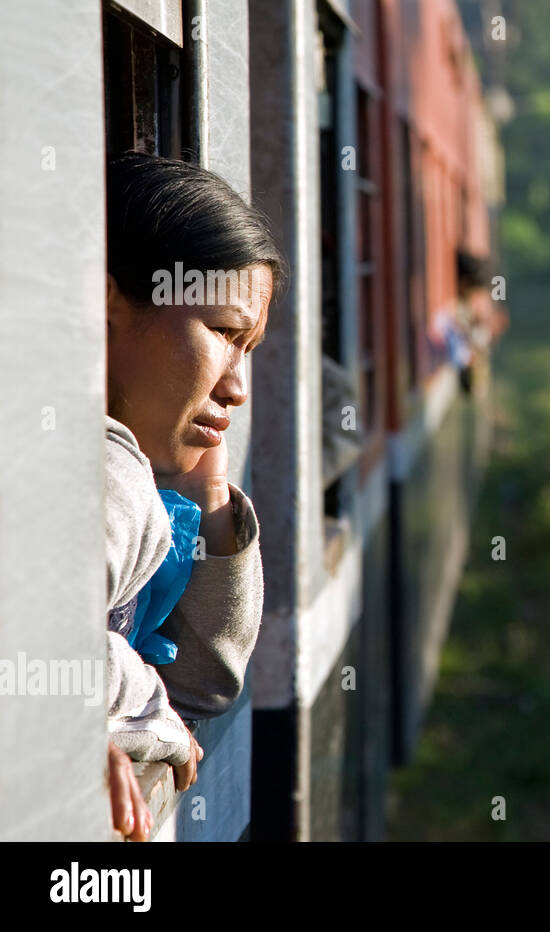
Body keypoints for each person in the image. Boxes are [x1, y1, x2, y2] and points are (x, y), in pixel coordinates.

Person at [101, 152, 284, 839]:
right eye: (223, 334)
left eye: (251, 349)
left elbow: (201, 684)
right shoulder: (106, 470)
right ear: (106, 305)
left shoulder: (132, 474)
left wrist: (208, 487)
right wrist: (117, 710)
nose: (238, 386)